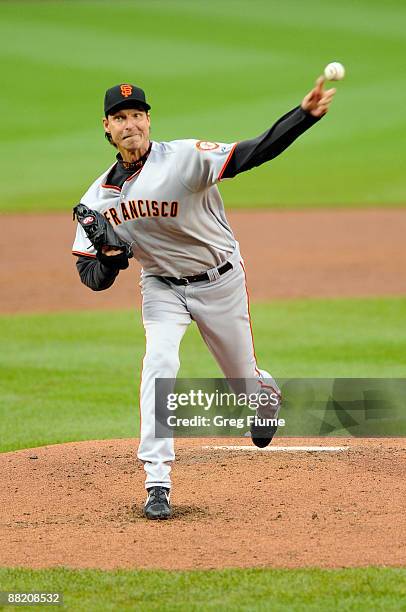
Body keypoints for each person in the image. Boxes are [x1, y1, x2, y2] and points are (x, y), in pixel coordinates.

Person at [72, 78, 336, 519]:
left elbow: (252, 153)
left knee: (243, 383)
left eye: (137, 114)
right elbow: (92, 277)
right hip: (161, 287)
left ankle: (263, 394)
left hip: (220, 281)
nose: (130, 123)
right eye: (121, 118)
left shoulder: (184, 158)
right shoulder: (96, 199)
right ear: (107, 127)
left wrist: (303, 115)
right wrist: (113, 257)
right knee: (159, 362)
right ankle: (157, 479)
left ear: (148, 120)